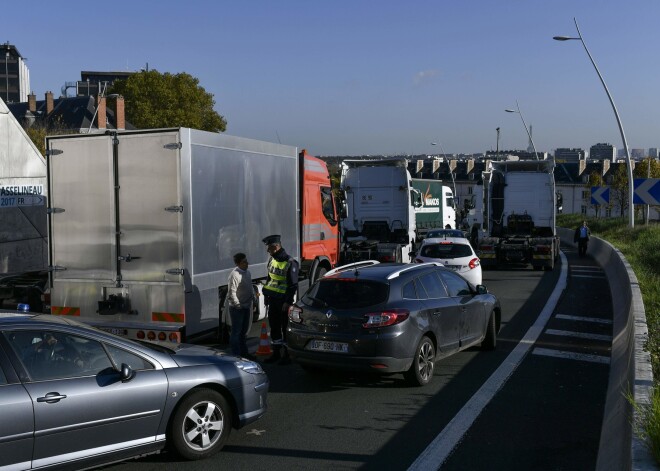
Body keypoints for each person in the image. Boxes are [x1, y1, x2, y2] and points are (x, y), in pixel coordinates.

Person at [261, 234, 299, 365]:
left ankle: (287, 355)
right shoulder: (272, 259)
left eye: (269, 248)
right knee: (275, 328)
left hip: (283, 302)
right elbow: (270, 279)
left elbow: (293, 285)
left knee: (285, 328)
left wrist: (288, 302)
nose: (268, 251)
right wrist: (266, 296)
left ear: (276, 247)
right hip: (273, 300)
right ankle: (276, 353)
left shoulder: (290, 262)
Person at [227, 253, 256, 359]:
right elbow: (232, 293)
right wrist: (238, 305)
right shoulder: (234, 275)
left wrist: (254, 300)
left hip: (246, 306)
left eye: (246, 261)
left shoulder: (247, 272)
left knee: (243, 332)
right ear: (238, 263)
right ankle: (236, 355)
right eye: (244, 261)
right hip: (237, 309)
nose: (247, 263)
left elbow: (250, 287)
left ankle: (244, 353)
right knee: (236, 332)